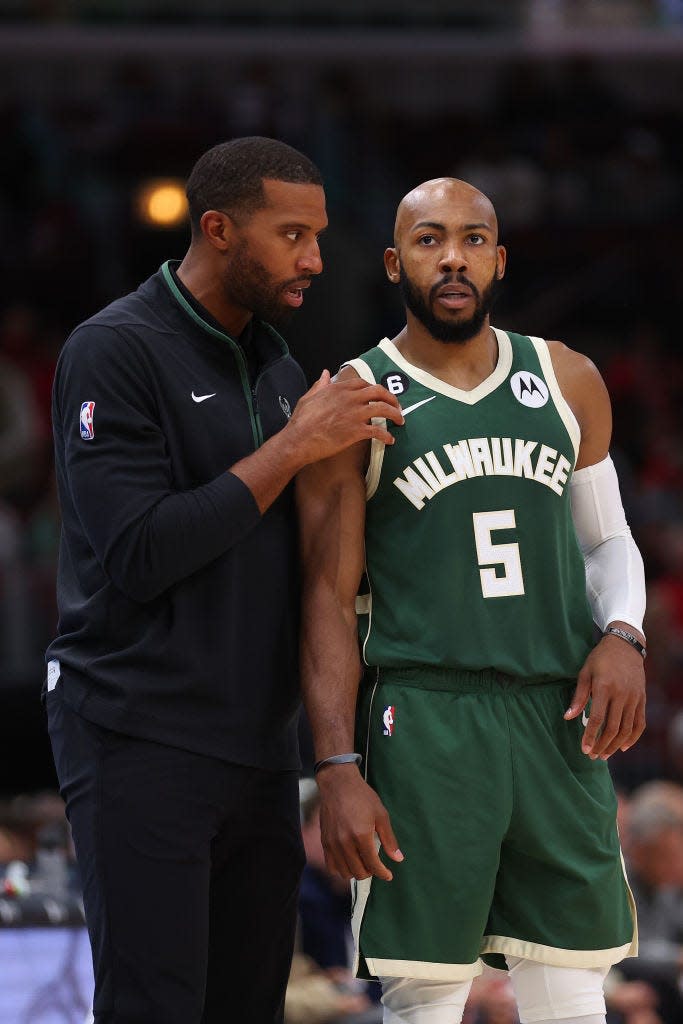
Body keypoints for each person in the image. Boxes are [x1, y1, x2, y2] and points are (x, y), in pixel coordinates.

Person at [44, 136, 403, 1024]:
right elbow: (141, 551)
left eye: (317, 237)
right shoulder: (113, 350)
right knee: (157, 1005)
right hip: (138, 729)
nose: (315, 260)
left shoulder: (280, 370)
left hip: (256, 750)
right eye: (291, 236)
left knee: (249, 1006)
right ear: (217, 229)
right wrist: (293, 447)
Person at [298, 177, 647, 1024]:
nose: (451, 255)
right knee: (428, 993)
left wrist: (624, 634)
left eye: (470, 238)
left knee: (571, 989)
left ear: (497, 257)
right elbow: (325, 599)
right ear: (393, 262)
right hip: (424, 718)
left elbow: (607, 541)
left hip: (554, 715)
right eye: (427, 239)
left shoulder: (565, 378)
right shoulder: (355, 399)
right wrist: (336, 766)